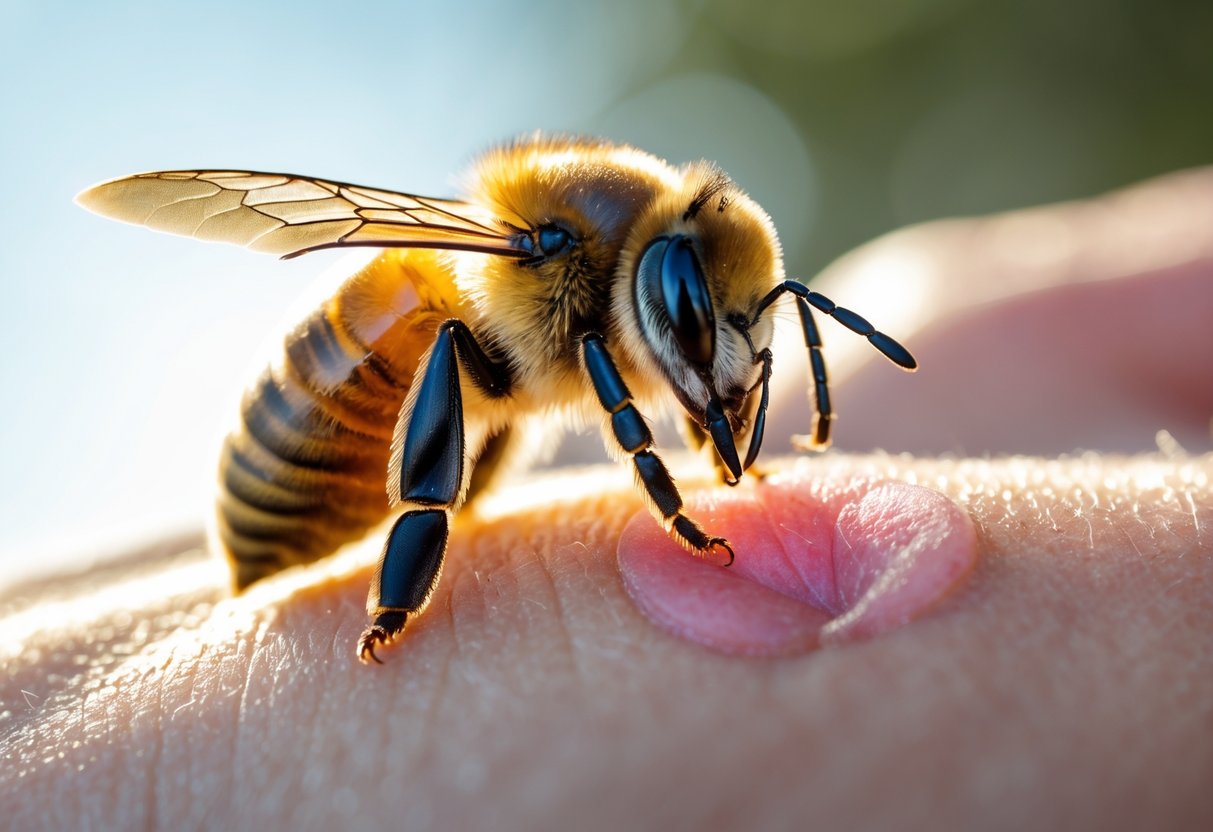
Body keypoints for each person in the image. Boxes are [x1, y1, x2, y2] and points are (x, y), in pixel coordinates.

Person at [2, 167, 1210, 831]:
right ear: (631, 277)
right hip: (313, 431)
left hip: (389, 418)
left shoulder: (633, 286)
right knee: (457, 367)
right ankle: (402, 586)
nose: (719, 354)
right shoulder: (560, 272)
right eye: (706, 320)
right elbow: (564, 363)